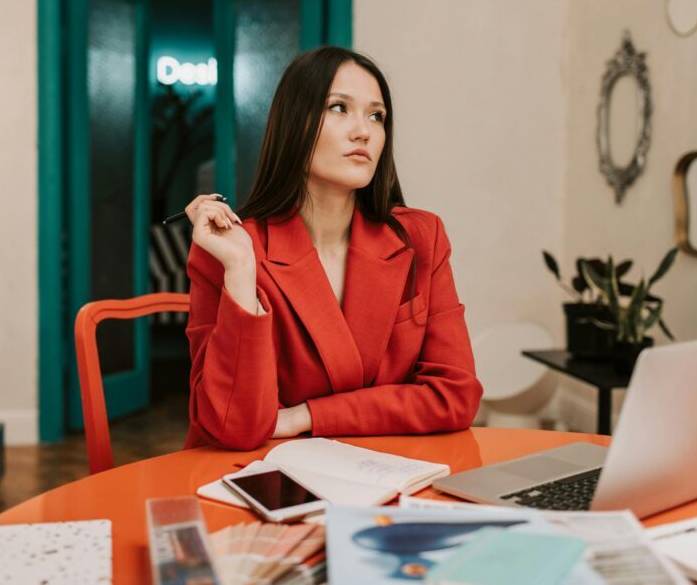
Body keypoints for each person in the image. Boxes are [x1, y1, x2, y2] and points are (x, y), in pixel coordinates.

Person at [183, 46, 482, 451]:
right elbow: (234, 427)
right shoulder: (228, 250)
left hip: (385, 471)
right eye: (339, 108)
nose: (364, 131)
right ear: (294, 124)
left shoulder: (421, 237)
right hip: (264, 480)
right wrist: (239, 270)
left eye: (376, 116)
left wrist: (306, 415)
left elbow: (455, 397)